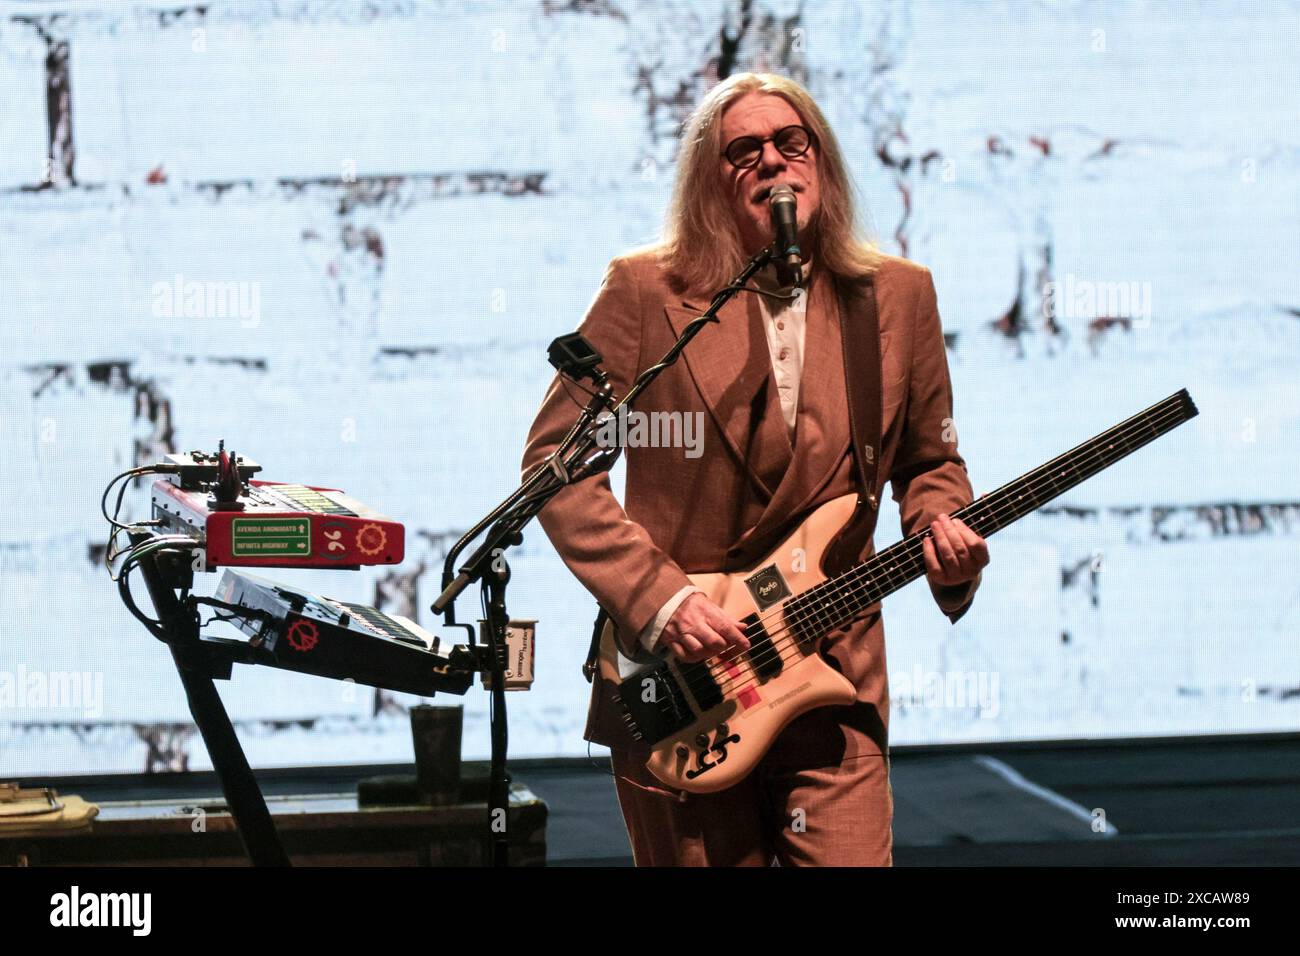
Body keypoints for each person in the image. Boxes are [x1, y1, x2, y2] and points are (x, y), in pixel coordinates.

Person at [521, 72, 989, 866]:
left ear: (823, 164)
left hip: (834, 667)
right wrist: (661, 599)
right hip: (683, 685)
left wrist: (945, 536)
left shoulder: (899, 296)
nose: (772, 162)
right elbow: (556, 464)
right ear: (711, 182)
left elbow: (929, 458)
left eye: (791, 142)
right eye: (744, 151)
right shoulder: (645, 290)